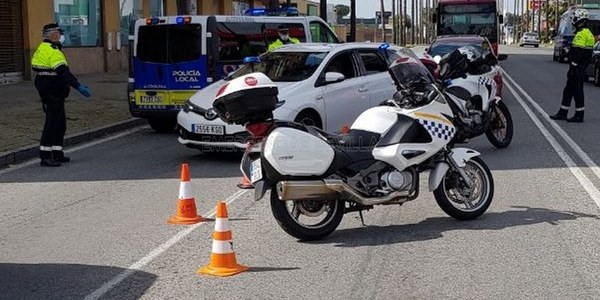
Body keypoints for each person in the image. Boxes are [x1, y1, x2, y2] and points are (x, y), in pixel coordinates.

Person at [31, 23, 92, 167]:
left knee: (60, 124)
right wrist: (78, 86)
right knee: (52, 123)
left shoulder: (46, 48)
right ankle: (46, 156)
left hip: (51, 88)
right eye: (58, 33)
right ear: (51, 35)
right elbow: (63, 72)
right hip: (51, 89)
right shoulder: (51, 50)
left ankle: (57, 153)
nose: (61, 36)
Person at [549, 9, 595, 123]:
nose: (573, 21)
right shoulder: (589, 33)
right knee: (568, 90)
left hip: (577, 68)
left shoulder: (581, 34)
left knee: (577, 91)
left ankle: (579, 115)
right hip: (581, 67)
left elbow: (577, 54)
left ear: (578, 19)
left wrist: (573, 67)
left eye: (574, 19)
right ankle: (563, 112)